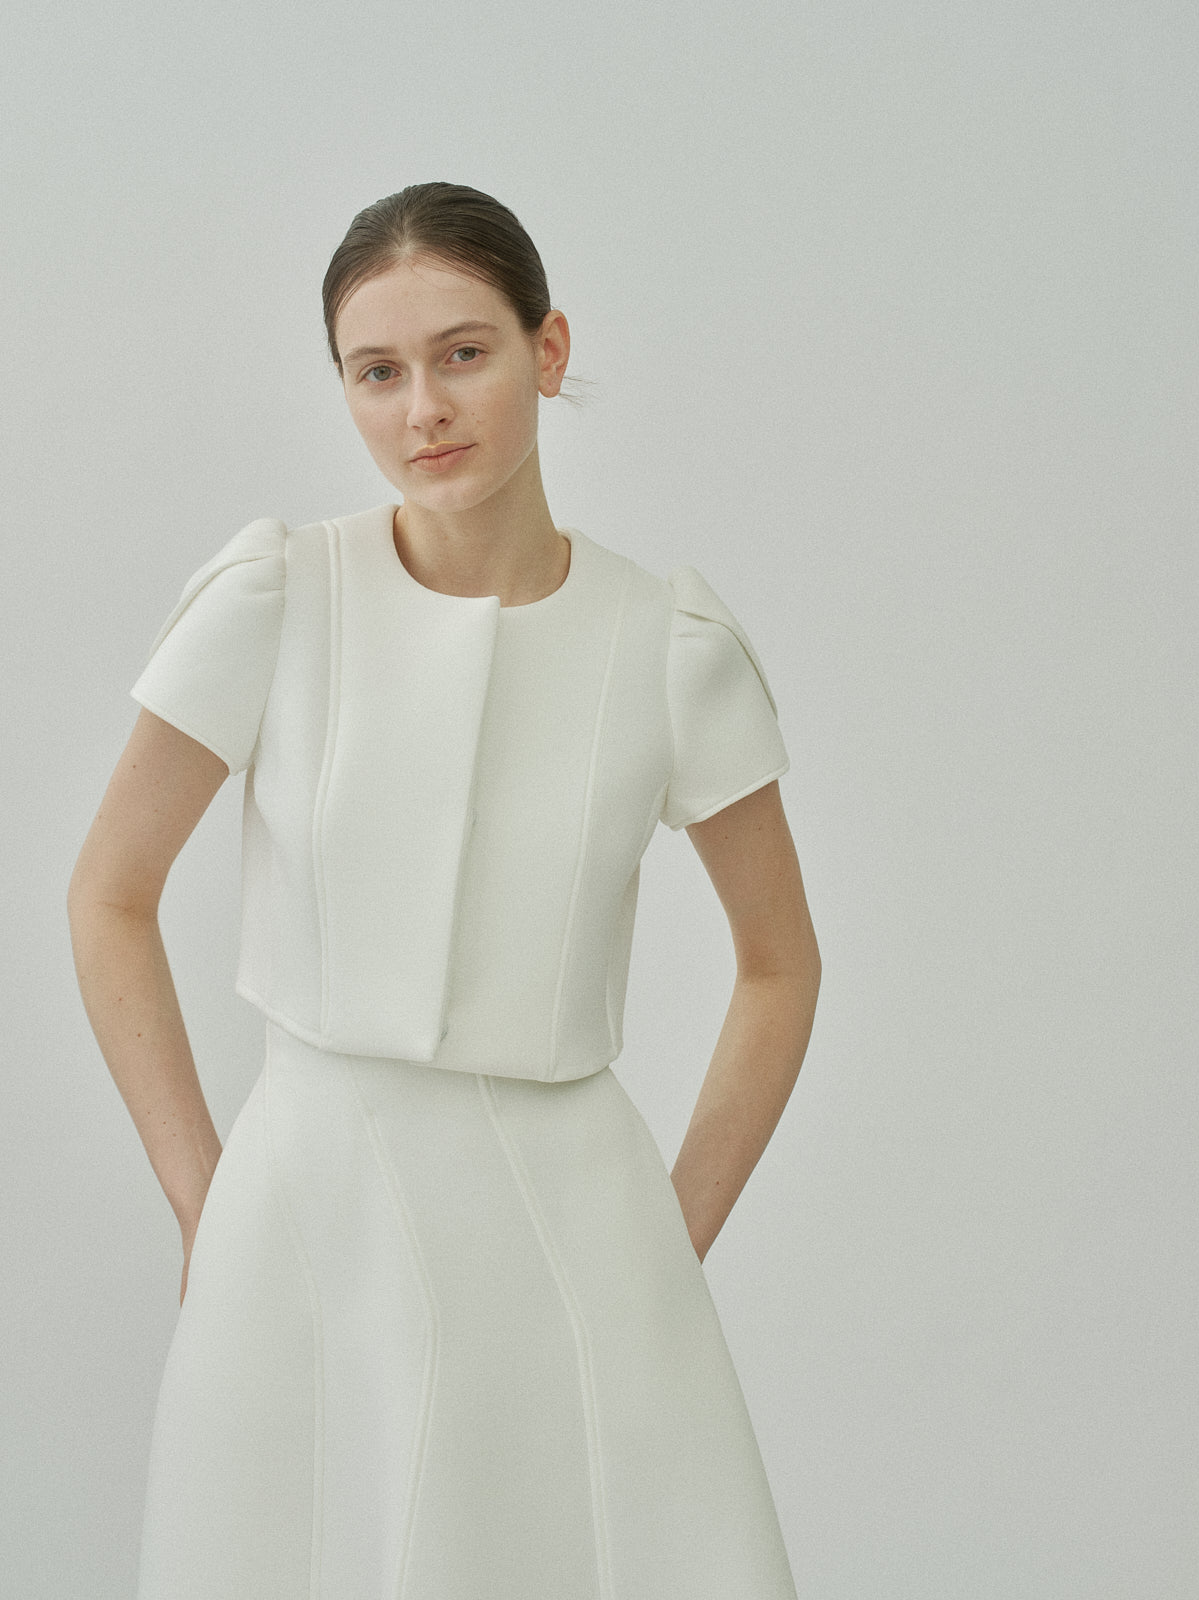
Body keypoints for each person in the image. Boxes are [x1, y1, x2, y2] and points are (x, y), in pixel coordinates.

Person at [67, 181, 821, 1599]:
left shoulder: (667, 646)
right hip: (306, 1215)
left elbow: (781, 965)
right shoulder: (279, 598)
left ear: (548, 349)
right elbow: (108, 892)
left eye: (463, 353)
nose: (424, 408)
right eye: (378, 371)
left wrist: (670, 1237)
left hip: (573, 1221)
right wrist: (202, 1199)